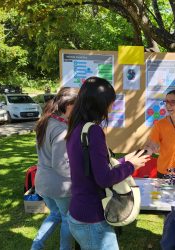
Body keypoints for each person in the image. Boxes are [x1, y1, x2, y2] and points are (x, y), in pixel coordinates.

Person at [65, 76, 150, 250]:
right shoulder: (93, 131)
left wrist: (125, 160)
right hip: (92, 218)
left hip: (79, 211)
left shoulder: (77, 127)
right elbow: (103, 179)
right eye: (110, 102)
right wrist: (130, 166)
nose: (112, 107)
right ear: (100, 104)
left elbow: (93, 167)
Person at [31, 87, 79, 250]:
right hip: (58, 185)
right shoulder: (60, 129)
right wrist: (79, 178)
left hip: (43, 182)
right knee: (67, 218)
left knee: (56, 214)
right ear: (69, 105)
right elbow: (61, 165)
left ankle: (36, 245)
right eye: (78, 106)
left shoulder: (46, 121)